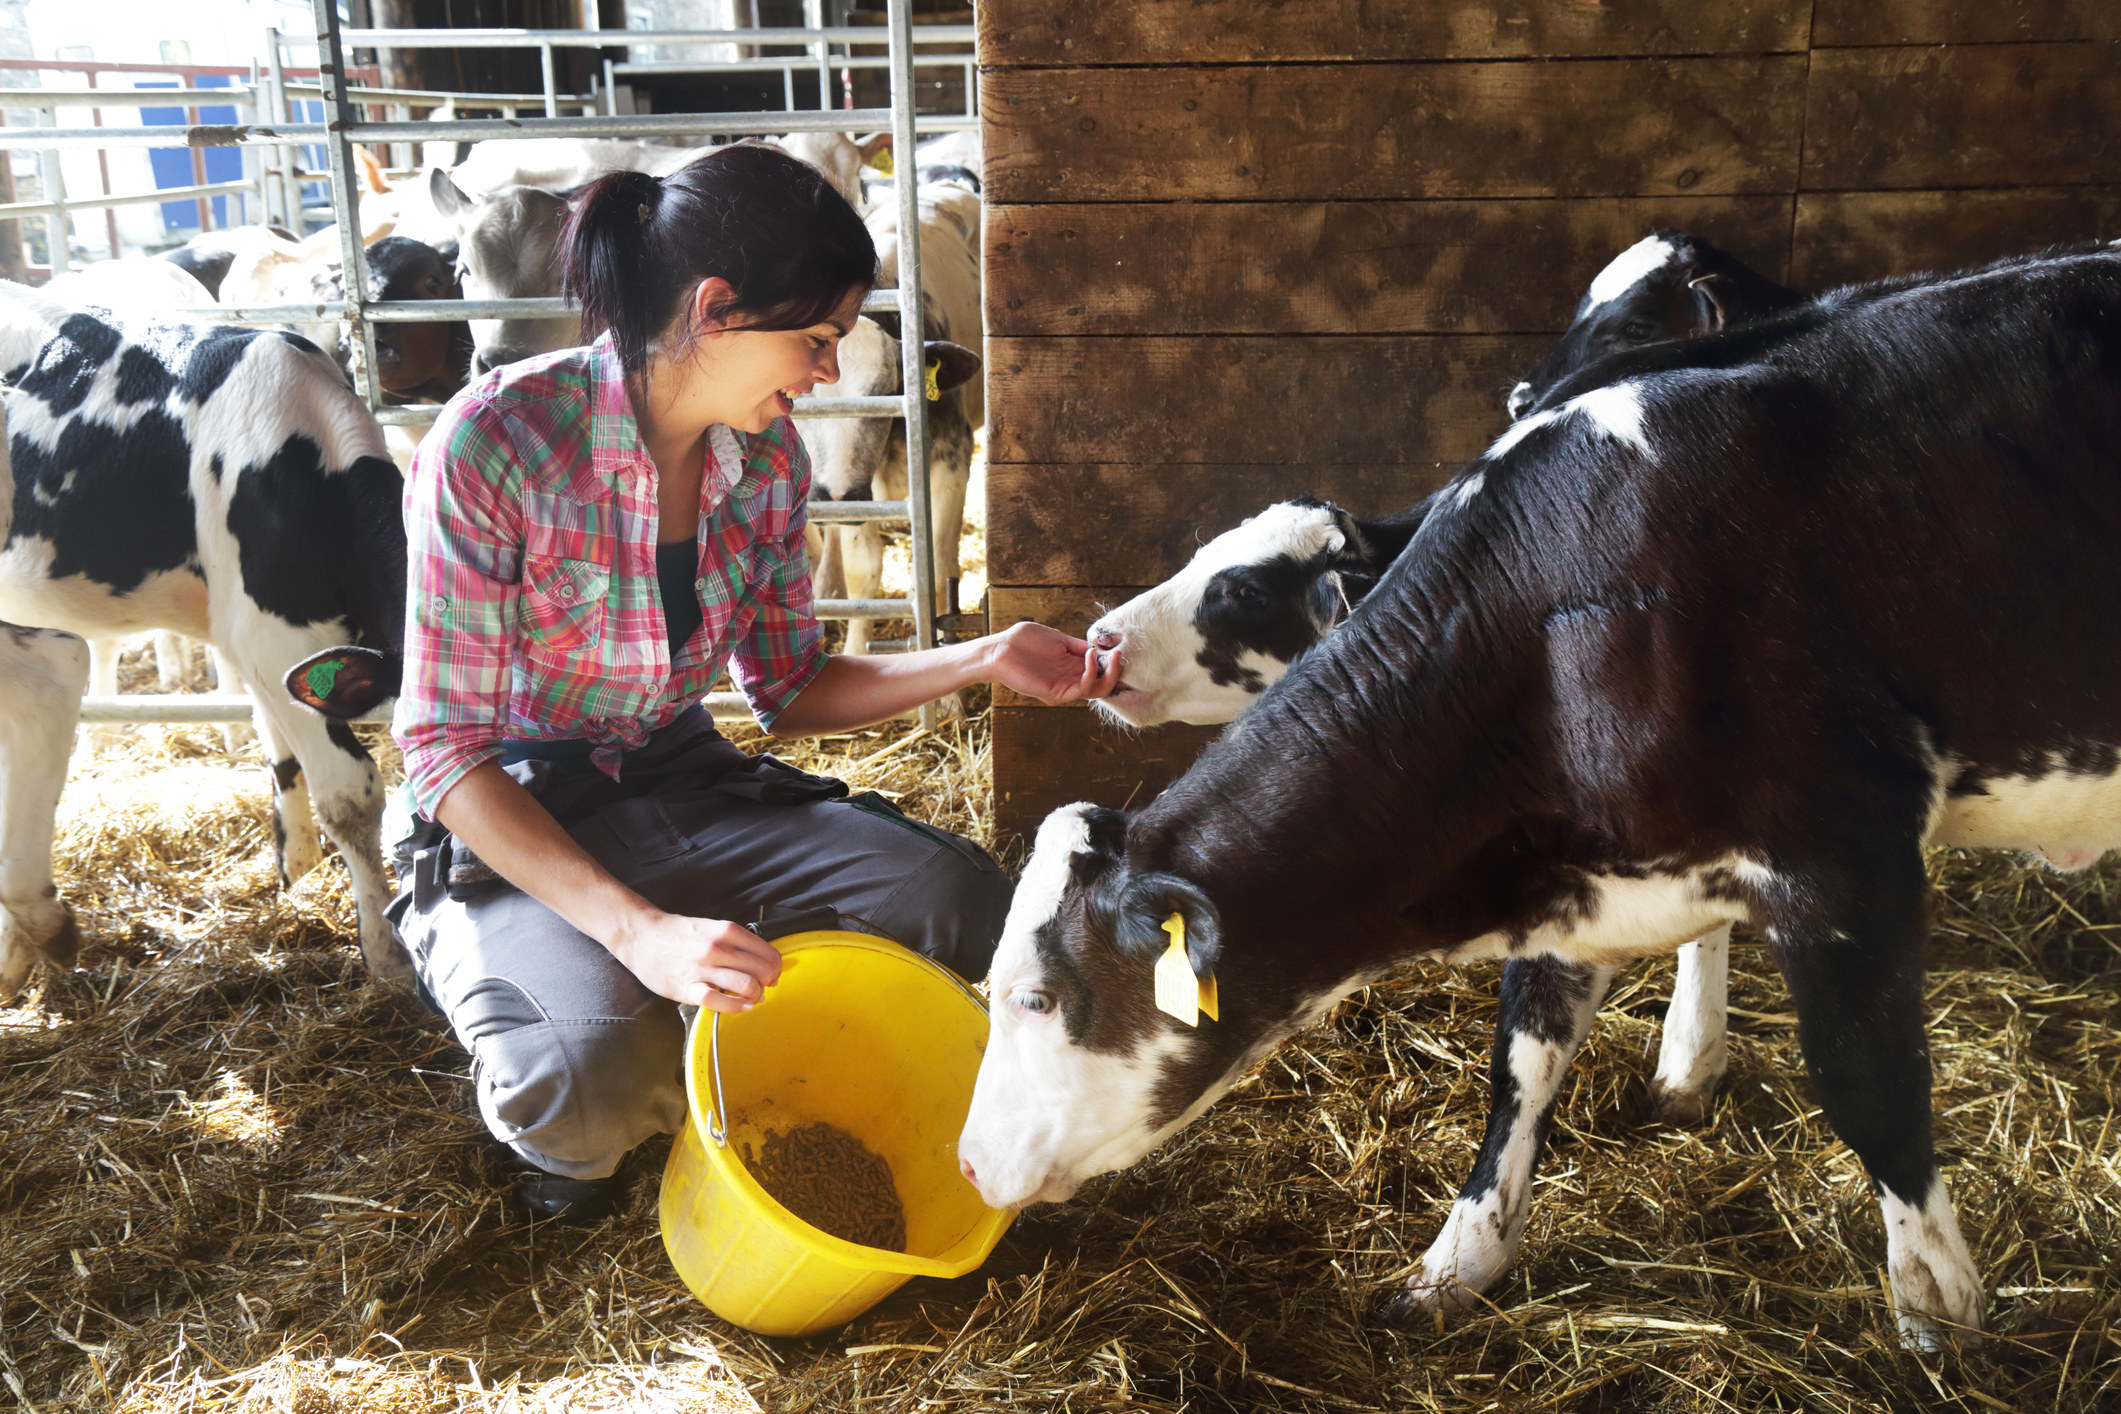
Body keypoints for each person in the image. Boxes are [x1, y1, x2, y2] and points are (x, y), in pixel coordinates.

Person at [387, 144, 1121, 1221]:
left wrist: (980, 656)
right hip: (513, 812)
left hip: (682, 781)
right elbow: (444, 750)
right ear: (717, 309)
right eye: (816, 338)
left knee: (961, 901)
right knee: (589, 1087)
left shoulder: (766, 462)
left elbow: (789, 687)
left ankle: (663, 979)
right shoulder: (496, 442)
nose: (828, 371)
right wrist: (637, 931)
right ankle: (525, 985)